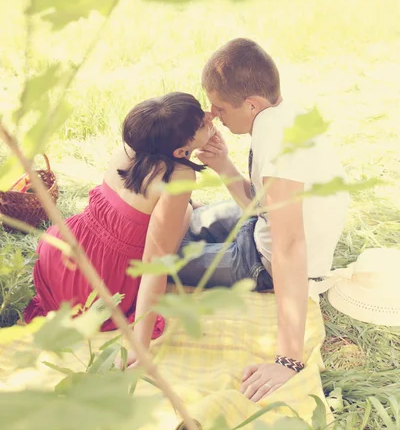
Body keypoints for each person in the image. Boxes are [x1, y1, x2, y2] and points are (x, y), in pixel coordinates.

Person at [178, 38, 349, 402]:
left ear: (251, 104)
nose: (214, 115)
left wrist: (288, 360)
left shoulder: (280, 142)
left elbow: (289, 245)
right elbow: (260, 209)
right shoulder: (281, 115)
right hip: (259, 229)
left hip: (264, 262)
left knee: (162, 260)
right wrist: (224, 166)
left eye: (220, 107)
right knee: (178, 226)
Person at [24, 92, 215, 354]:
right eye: (202, 123)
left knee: (180, 212)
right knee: (186, 215)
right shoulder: (179, 176)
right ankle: (189, 209)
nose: (210, 117)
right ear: (180, 151)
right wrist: (140, 346)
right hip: (98, 284)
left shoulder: (134, 147)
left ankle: (188, 207)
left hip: (58, 255)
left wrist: (198, 127)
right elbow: (155, 265)